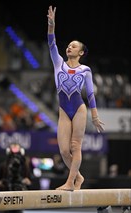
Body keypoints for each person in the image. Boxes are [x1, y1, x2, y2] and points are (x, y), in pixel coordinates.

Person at [47, 5, 105, 191]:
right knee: (64, 150)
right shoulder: (58, 64)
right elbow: (51, 44)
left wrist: (94, 116)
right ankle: (78, 177)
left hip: (79, 108)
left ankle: (70, 182)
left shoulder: (85, 70)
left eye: (74, 46)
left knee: (75, 146)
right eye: (68, 45)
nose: (69, 47)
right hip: (64, 110)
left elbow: (90, 94)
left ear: (80, 52)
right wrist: (51, 26)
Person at [0, 143, 32, 213]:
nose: (14, 147)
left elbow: (30, 181)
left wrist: (27, 181)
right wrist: (0, 183)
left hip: (18, 197)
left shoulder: (25, 166)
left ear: (21, 151)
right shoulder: (3, 165)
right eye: (13, 146)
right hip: (5, 196)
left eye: (16, 146)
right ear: (8, 150)